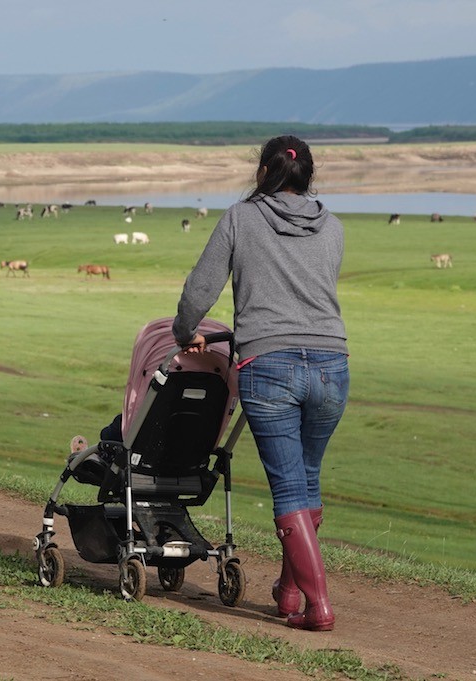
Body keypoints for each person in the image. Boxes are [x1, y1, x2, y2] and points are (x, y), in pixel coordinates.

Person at [171, 135, 348, 631]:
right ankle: (289, 593)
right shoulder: (332, 225)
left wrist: (185, 332)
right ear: (307, 175)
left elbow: (200, 288)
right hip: (334, 364)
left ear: (263, 173)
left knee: (290, 487)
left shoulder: (240, 218)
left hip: (269, 365)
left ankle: (320, 608)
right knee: (308, 482)